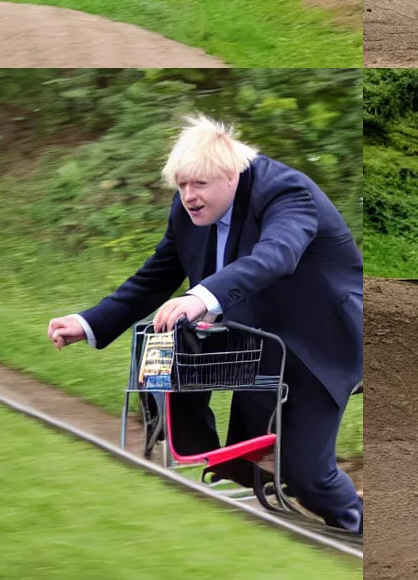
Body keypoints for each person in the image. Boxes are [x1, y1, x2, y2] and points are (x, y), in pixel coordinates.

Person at [45, 114, 362, 533]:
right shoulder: (187, 210)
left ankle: (357, 527)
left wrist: (200, 297)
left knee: (307, 474)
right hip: (255, 338)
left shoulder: (285, 192)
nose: (189, 197)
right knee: (227, 458)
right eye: (182, 185)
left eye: (200, 185)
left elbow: (276, 256)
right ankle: (265, 490)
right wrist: (86, 323)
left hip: (320, 342)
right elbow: (155, 276)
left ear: (230, 175)